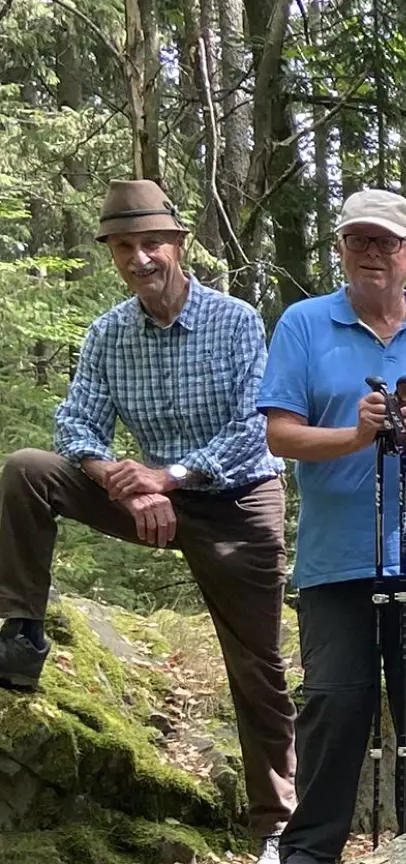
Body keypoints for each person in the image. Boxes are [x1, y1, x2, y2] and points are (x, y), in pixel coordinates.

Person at [0, 180, 296, 864]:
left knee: (255, 664)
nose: (141, 259)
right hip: (146, 496)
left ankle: (276, 825)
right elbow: (77, 421)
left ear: (178, 245)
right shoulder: (108, 334)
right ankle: (20, 635)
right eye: (126, 247)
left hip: (236, 502)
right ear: (112, 254)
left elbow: (255, 430)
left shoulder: (236, 321)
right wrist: (117, 478)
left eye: (152, 243)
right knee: (27, 469)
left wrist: (170, 475)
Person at [259, 189, 406, 864]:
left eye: (386, 242)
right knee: (335, 709)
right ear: (341, 249)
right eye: (359, 240)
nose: (372, 254)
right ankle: (312, 853)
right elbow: (279, 434)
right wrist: (354, 435)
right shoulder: (304, 324)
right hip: (337, 557)